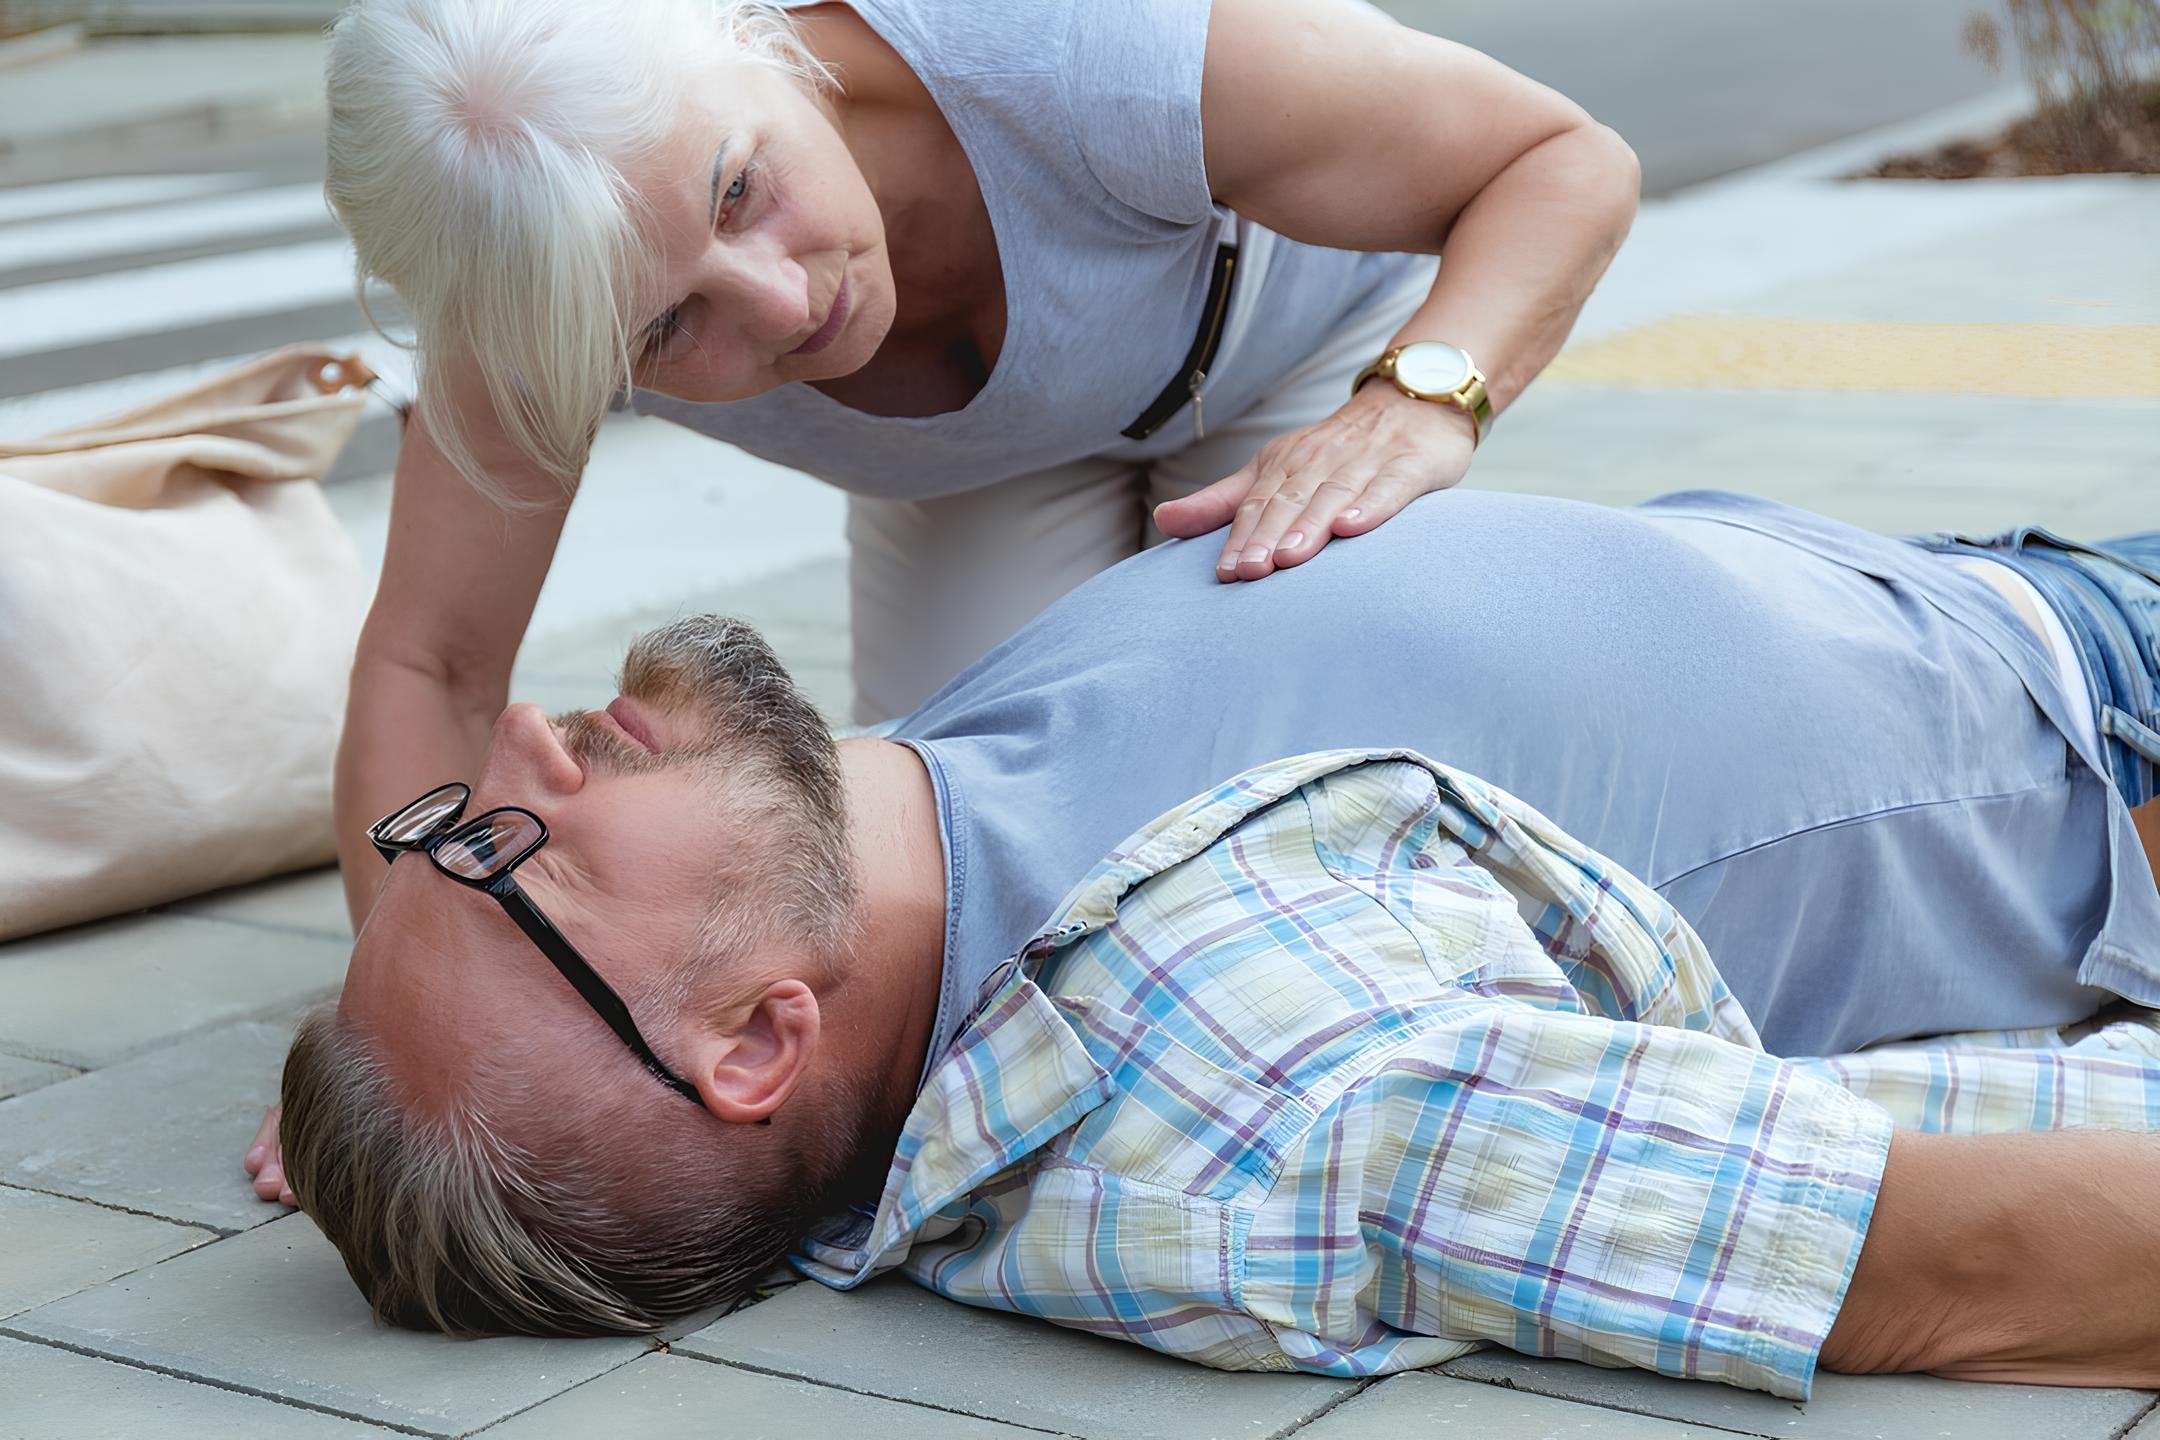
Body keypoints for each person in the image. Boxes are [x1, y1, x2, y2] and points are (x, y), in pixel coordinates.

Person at [262, 489, 2160, 1397]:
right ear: (753, 1045)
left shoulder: (893, 848)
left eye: (434, 829)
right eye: (505, 854)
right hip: (2100, 725)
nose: (516, 741)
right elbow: (1951, 1264)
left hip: (1970, 572)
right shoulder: (1257, 1100)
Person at [321, 0, 1641, 925]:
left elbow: (1563, 156)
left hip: (1299, 344)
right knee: (968, 877)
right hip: (979, 465)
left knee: (1324, 790)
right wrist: (410, 1013)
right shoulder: (534, 321)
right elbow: (431, 659)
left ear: (756, 35)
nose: (784, 309)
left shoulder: (1091, 41)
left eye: (740, 191)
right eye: (669, 329)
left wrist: (1416, 403)